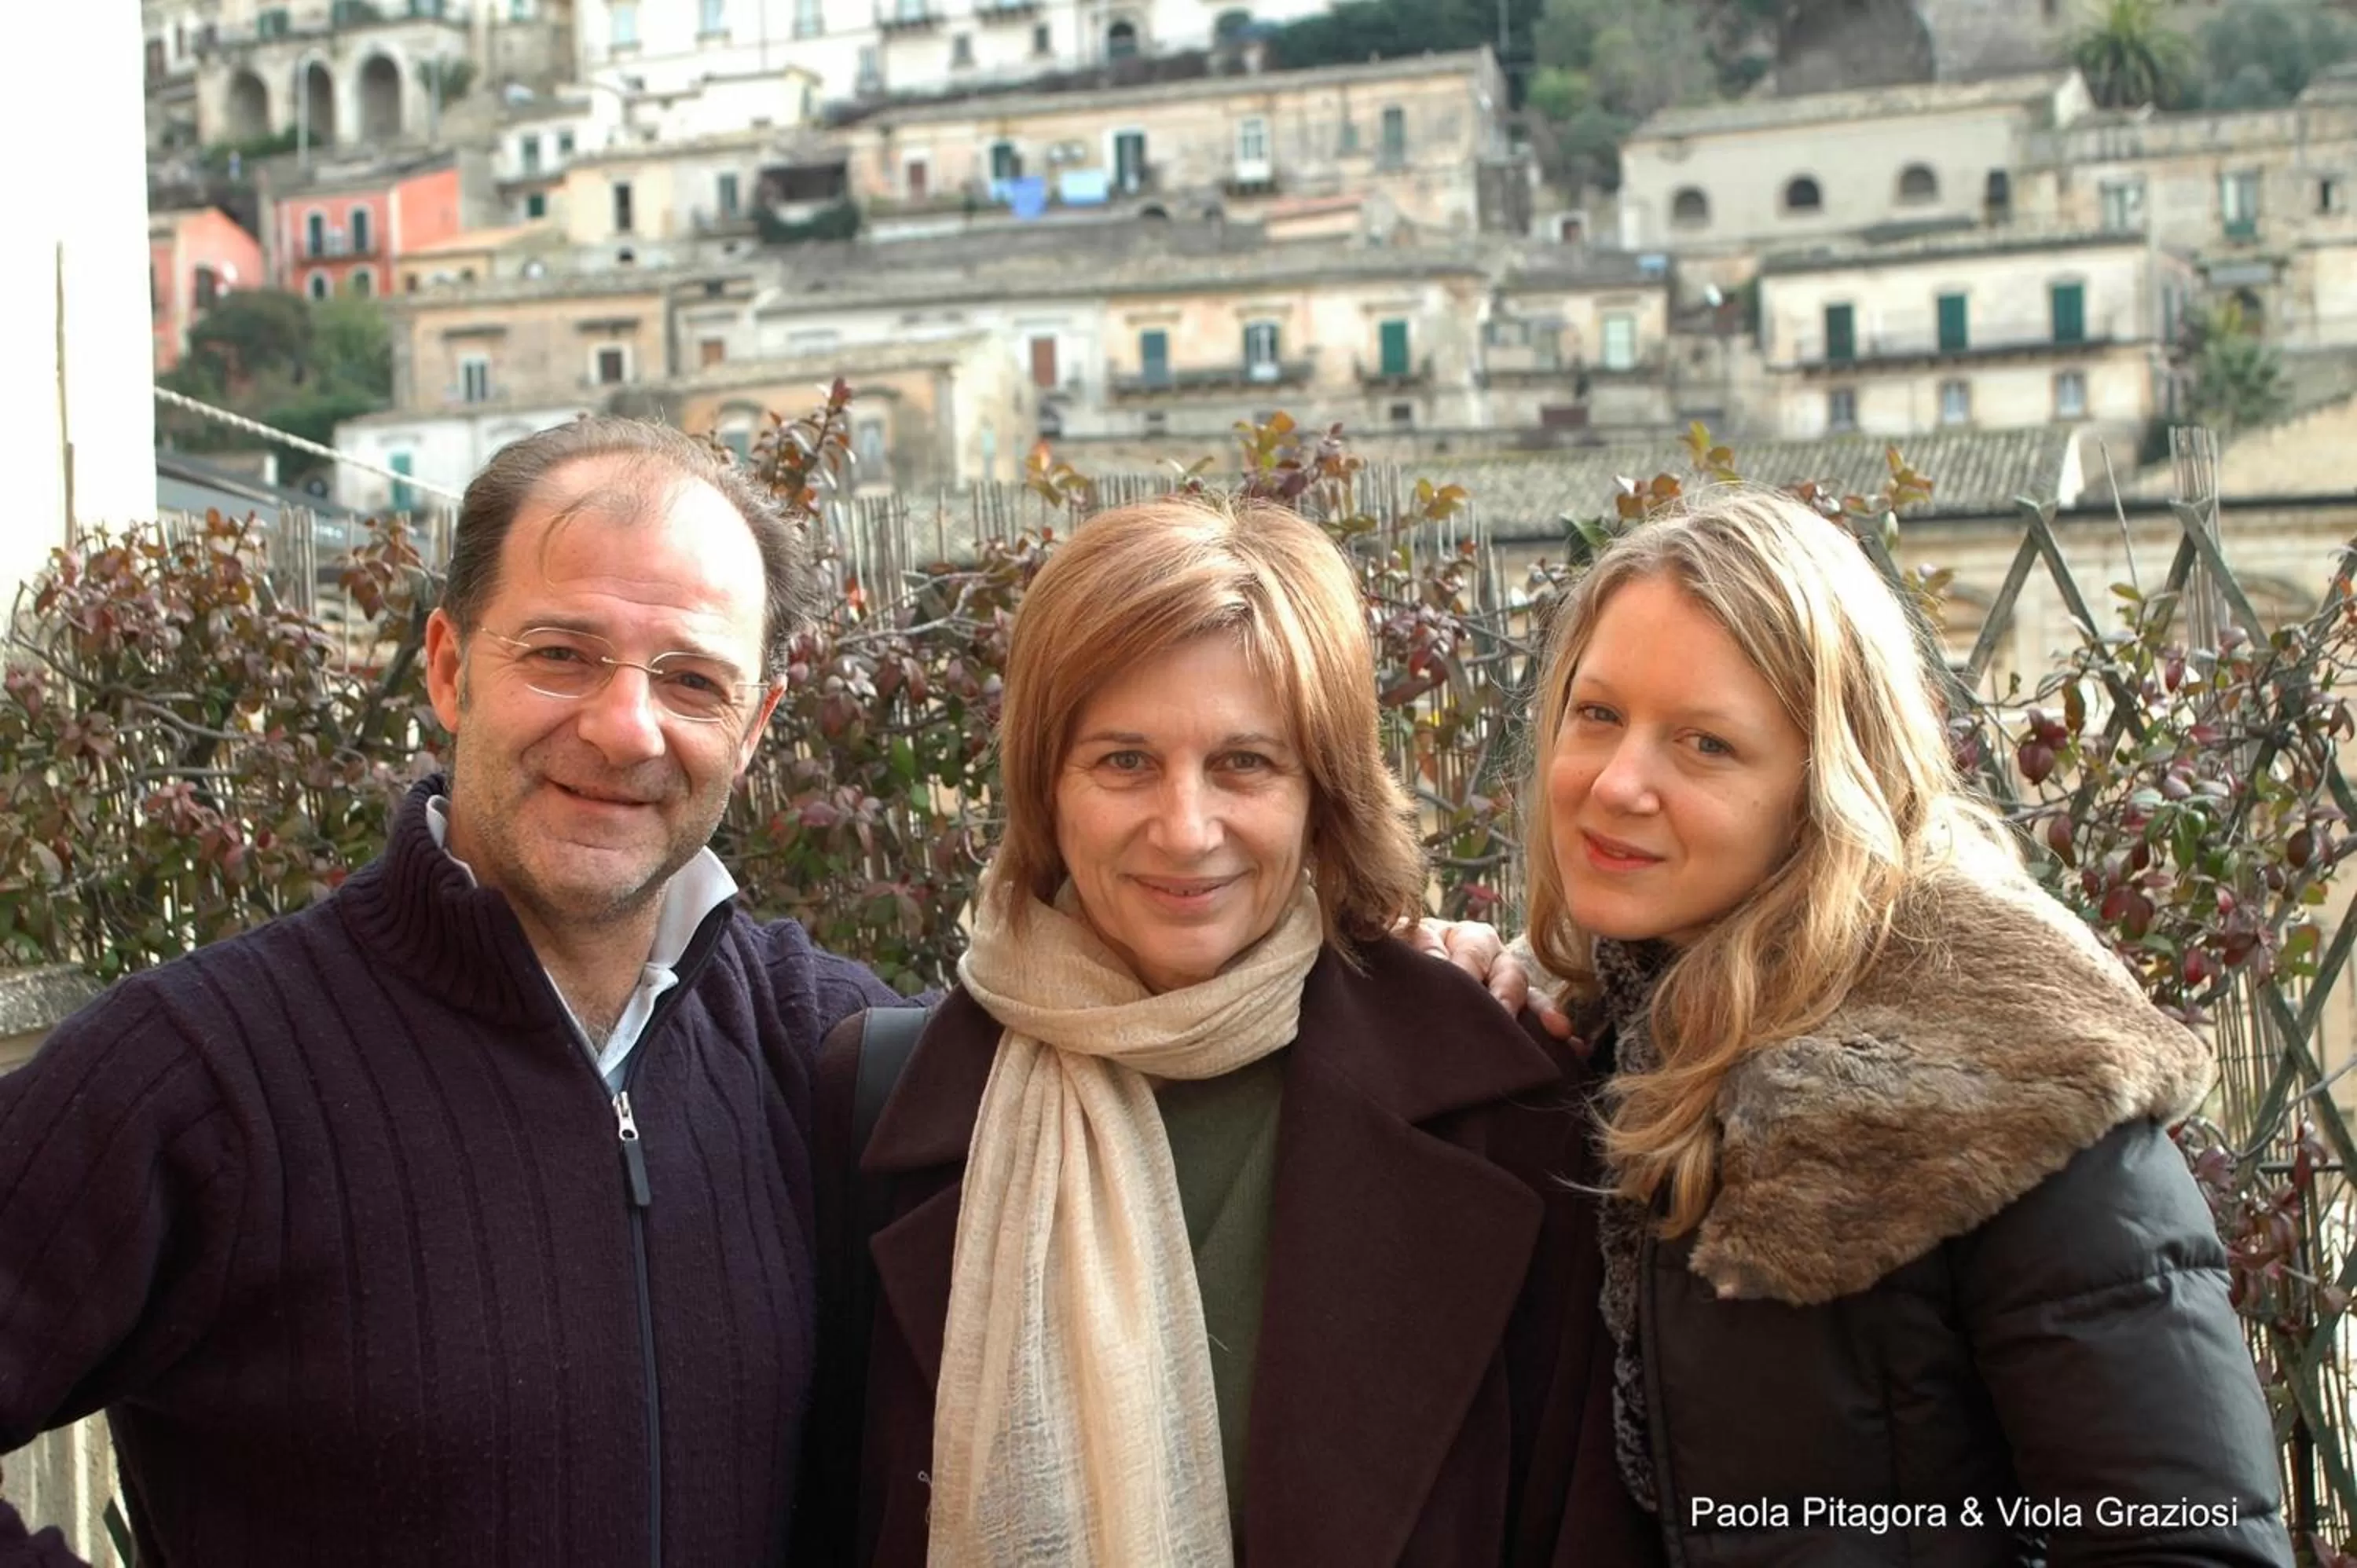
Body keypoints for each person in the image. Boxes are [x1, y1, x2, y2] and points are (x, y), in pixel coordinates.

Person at [0, 417, 1535, 1567]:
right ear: (449, 667)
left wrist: (1439, 963)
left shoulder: (845, 1062)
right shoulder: (207, 1073)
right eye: (562, 654)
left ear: (761, 717)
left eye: (689, 677)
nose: (625, 725)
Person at [797, 495, 1659, 1567]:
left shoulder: (1514, 1109)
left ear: (1321, 793)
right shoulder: (883, 1105)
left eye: (1246, 763)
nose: (1187, 828)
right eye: (1124, 761)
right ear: (1046, 784)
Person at [1521, 485, 2292, 1565]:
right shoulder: (1611, 1022)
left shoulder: (2010, 1070)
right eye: (1597, 714)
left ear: (1827, 784)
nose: (1617, 783)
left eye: (1705, 744)